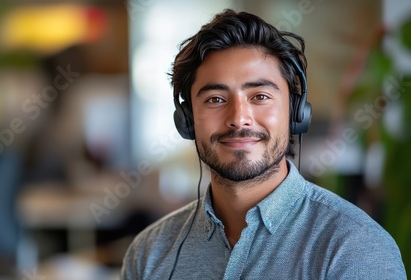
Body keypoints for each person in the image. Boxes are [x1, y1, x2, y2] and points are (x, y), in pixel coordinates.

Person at [121, 9, 406, 279]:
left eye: (260, 96)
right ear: (187, 120)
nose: (239, 118)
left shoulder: (355, 248)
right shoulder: (149, 253)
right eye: (215, 99)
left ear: (296, 113)